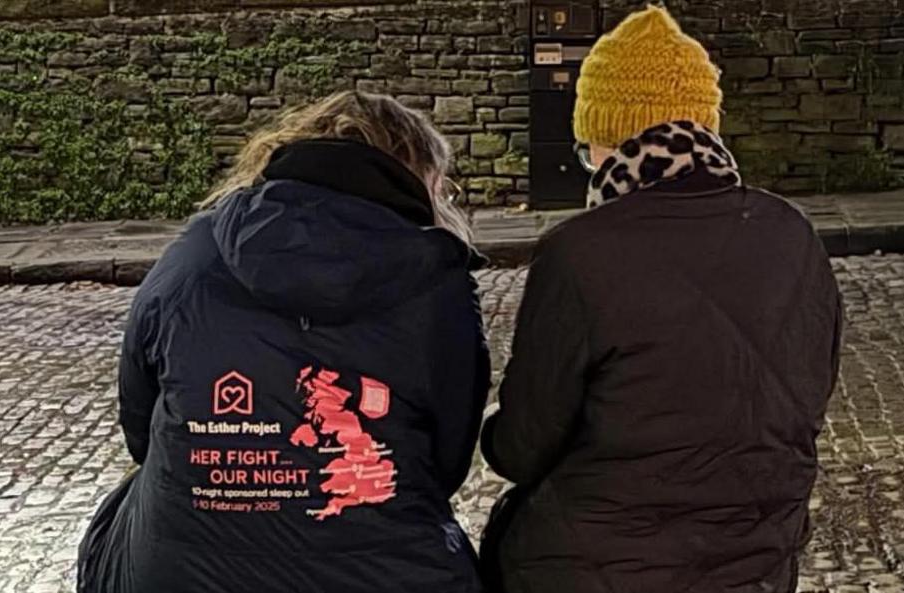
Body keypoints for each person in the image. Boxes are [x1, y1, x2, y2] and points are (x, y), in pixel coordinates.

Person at [479, 6, 843, 593]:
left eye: (585, 148)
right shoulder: (793, 233)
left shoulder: (580, 251)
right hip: (756, 562)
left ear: (610, 141)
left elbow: (522, 447)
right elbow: (805, 399)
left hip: (594, 567)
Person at [77, 91, 490, 593]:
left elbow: (140, 431)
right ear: (423, 178)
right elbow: (446, 463)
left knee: (124, 513)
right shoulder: (439, 284)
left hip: (177, 573)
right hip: (388, 572)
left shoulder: (194, 252)